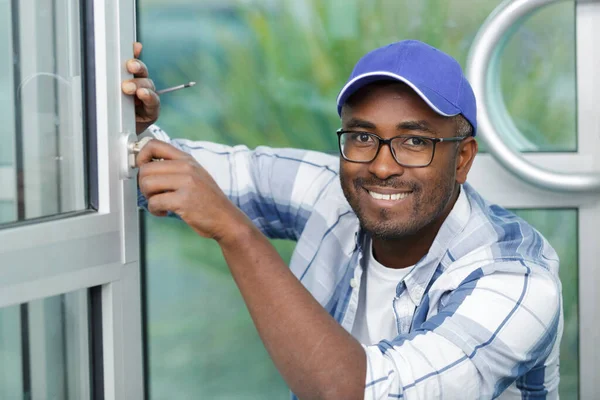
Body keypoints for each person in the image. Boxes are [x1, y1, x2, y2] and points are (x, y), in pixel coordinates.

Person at [123, 40, 562, 399]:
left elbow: (358, 392)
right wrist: (130, 129)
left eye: (414, 141)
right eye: (362, 136)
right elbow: (186, 176)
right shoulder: (337, 194)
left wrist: (235, 232)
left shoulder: (517, 280)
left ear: (462, 159)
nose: (383, 166)